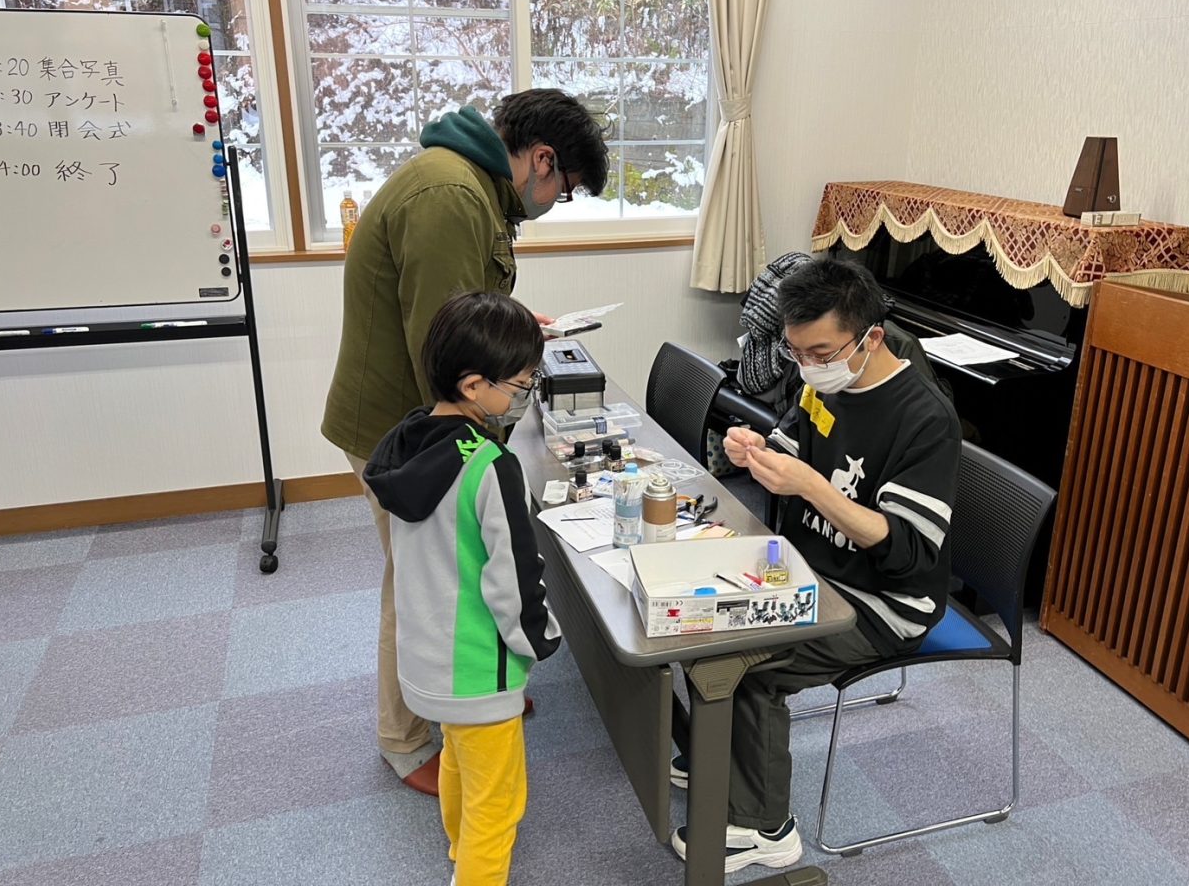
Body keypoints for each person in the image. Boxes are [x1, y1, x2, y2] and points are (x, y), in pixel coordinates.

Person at [321, 89, 607, 795]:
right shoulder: (452, 196)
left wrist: (514, 327)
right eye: (566, 189)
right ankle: (405, 739)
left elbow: (461, 315)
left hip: (420, 416)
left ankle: (476, 690)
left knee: (459, 568)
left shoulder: (470, 185)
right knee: (421, 582)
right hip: (406, 425)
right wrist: (493, 437)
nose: (556, 203)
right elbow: (442, 350)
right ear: (543, 160)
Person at [670, 259, 961, 873]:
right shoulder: (823, 382)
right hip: (811, 570)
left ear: (871, 338)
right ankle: (718, 753)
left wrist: (814, 488)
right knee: (697, 619)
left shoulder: (924, 418)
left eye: (821, 353)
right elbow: (792, 448)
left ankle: (766, 828)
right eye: (796, 353)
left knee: (744, 664)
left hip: (884, 602)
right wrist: (752, 449)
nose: (807, 366)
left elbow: (909, 551)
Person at [363, 291, 561, 886]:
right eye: (521, 384)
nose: (525, 394)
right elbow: (514, 578)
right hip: (479, 670)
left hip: (426, 662)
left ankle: (458, 853)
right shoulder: (491, 466)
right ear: (475, 385)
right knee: (497, 806)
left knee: (456, 760)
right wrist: (540, 639)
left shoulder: (408, 444)